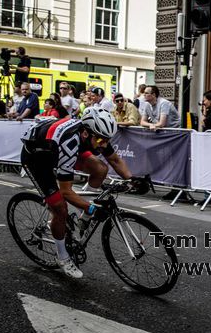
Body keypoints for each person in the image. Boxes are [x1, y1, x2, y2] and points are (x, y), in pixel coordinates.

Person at [20, 107, 138, 278]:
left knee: (100, 168)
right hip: (37, 160)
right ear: (85, 134)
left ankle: (83, 218)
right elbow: (66, 191)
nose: (104, 144)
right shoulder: (71, 143)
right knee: (60, 207)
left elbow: (114, 159)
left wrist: (132, 180)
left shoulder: (94, 134)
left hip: (56, 149)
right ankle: (63, 257)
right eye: (101, 140)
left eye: (107, 139)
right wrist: (91, 208)